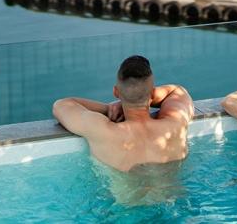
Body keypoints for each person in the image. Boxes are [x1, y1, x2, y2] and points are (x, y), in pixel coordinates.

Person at [52, 55, 194, 173]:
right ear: (152, 93)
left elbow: (61, 105)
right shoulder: (176, 123)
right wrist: (143, 96)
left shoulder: (103, 131)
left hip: (126, 207)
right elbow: (177, 90)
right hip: (174, 202)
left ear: (116, 92)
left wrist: (107, 109)